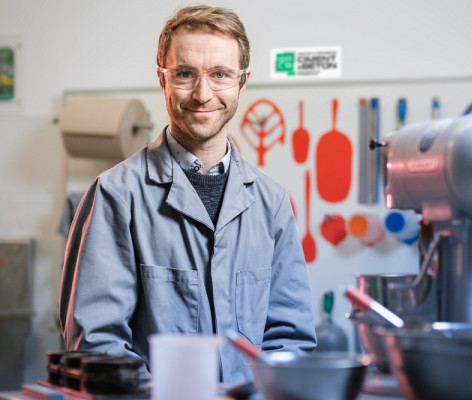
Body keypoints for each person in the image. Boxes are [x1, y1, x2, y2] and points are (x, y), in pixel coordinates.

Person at [59, 5, 316, 383]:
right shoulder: (116, 195)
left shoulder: (271, 201)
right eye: (184, 74)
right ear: (162, 79)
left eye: (220, 74)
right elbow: (97, 345)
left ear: (242, 82)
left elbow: (289, 339)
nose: (203, 93)